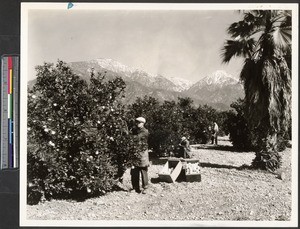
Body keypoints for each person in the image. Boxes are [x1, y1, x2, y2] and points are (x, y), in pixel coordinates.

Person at [130, 117, 150, 194]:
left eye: (139, 122)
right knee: (134, 170)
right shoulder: (135, 130)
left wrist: (129, 137)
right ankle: (135, 187)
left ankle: (145, 187)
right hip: (135, 152)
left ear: (143, 123)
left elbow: (137, 138)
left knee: (143, 169)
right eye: (137, 122)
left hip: (142, 153)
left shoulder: (145, 131)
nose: (137, 124)